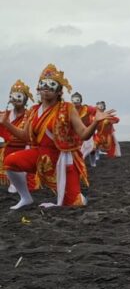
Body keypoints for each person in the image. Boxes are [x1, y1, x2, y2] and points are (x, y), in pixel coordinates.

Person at [0, 64, 115, 209]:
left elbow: (84, 134)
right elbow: (25, 137)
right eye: (43, 84)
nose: (46, 88)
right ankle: (25, 198)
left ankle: (78, 196)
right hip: (40, 154)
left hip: (62, 159)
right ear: (38, 88)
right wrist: (6, 124)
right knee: (10, 161)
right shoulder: (34, 110)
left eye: (51, 85)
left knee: (73, 204)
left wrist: (96, 123)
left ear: (59, 91)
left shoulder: (68, 108)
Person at [0, 80, 37, 193]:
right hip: (9, 148)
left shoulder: (31, 114)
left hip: (25, 148)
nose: (15, 99)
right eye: (13, 95)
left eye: (19, 96)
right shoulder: (5, 115)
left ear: (25, 99)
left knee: (29, 184)